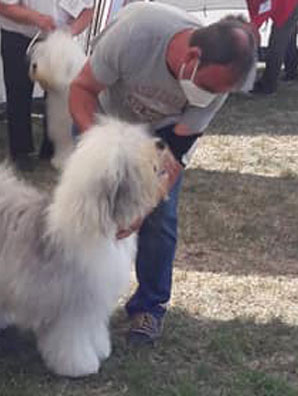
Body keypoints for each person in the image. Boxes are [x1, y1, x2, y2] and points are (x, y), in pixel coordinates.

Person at [69, 2, 257, 343]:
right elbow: (81, 89)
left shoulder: (220, 83)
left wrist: (144, 206)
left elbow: (175, 153)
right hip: (104, 119)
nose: (211, 97)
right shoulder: (135, 34)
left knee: (161, 219)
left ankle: (149, 308)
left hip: (160, 138)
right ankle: (67, 293)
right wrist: (98, 144)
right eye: (210, 87)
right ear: (192, 56)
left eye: (219, 92)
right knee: (83, 210)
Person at [0, 0, 94, 171]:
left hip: (57, 41)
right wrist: (36, 18)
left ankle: (52, 147)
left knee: (60, 97)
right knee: (18, 93)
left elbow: (88, 12)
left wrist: (71, 31)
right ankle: (21, 152)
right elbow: (3, 7)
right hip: (18, 35)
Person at [247, 0, 298, 94]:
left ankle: (268, 85)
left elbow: (266, 7)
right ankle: (292, 72)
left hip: (289, 6)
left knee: (277, 44)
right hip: (284, 5)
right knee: (288, 38)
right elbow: (255, 10)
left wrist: (253, 26)